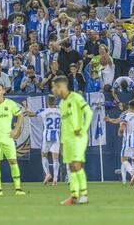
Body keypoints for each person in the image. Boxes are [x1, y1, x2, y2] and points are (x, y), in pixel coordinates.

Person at [52, 76, 93, 205]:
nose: (53, 90)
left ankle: (84, 194)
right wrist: (62, 143)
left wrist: (83, 129)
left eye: (54, 87)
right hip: (67, 139)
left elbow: (89, 112)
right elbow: (64, 125)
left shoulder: (76, 97)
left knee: (76, 164)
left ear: (61, 86)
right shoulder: (61, 103)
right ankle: (74, 196)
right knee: (71, 167)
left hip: (79, 137)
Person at [24, 95, 61, 186]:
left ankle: (48, 174)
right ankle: (55, 177)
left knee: (44, 155)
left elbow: (30, 114)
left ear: (47, 102)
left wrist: (25, 107)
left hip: (47, 136)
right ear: (55, 102)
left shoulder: (44, 111)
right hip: (56, 135)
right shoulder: (60, 111)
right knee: (55, 158)